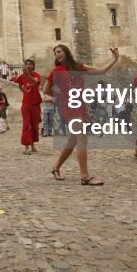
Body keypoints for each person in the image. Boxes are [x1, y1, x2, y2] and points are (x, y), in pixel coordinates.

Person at [46, 44, 119, 185]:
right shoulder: (57, 71)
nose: (57, 55)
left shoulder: (79, 67)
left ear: (66, 52)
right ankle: (85, 176)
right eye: (55, 53)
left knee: (73, 140)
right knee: (82, 139)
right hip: (70, 107)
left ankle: (56, 168)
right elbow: (46, 89)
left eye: (59, 51)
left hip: (81, 106)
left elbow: (100, 71)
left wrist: (114, 60)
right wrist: (62, 96)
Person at [14, 59, 42, 154]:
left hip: (35, 104)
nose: (28, 66)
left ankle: (33, 145)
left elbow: (34, 81)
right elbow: (19, 84)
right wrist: (23, 91)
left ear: (33, 66)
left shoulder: (36, 75)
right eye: (27, 64)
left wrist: (28, 75)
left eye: (30, 64)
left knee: (35, 126)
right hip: (26, 104)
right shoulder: (22, 76)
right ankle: (26, 147)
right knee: (26, 124)